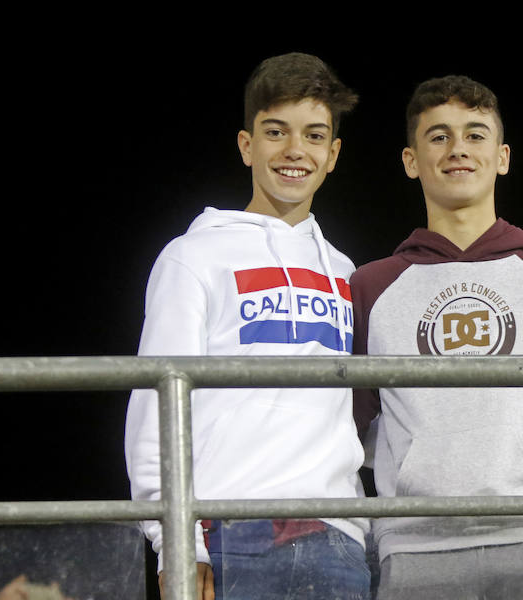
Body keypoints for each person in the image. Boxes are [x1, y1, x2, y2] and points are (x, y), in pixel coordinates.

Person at [351, 75, 523, 600]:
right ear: (411, 161)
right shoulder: (370, 286)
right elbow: (344, 430)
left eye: (475, 135)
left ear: (502, 157)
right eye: (438, 136)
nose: (458, 149)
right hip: (415, 549)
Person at [125, 52, 369, 600]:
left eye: (313, 135)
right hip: (227, 532)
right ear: (246, 145)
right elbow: (155, 410)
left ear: (332, 155)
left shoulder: (347, 272)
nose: (293, 150)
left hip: (339, 539)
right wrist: (177, 542)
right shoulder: (193, 256)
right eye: (275, 131)